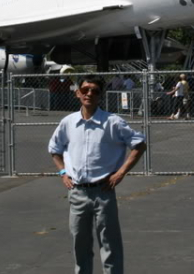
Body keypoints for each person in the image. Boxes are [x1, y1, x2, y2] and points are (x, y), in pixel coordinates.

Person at [49, 75, 146, 274]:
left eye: (95, 91)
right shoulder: (68, 123)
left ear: (101, 95)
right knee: (80, 244)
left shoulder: (113, 122)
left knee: (110, 244)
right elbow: (54, 149)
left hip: (103, 191)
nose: (89, 94)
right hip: (77, 192)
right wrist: (62, 173)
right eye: (85, 90)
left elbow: (139, 145)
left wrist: (120, 174)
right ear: (78, 93)